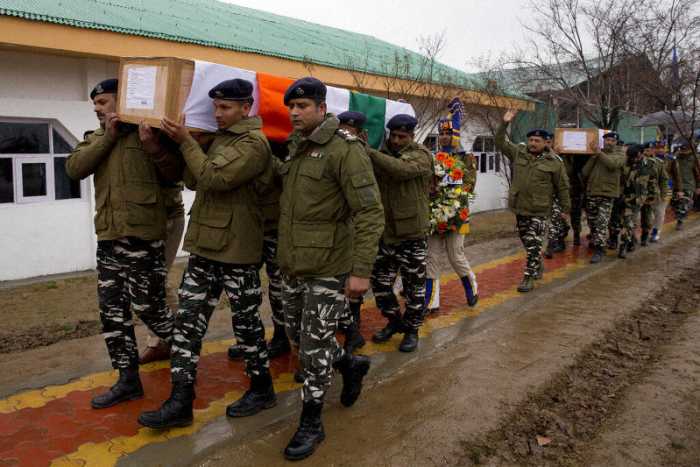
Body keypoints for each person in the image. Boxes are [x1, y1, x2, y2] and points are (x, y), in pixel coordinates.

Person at [138, 78, 275, 429]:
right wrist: (163, 146)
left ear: (247, 107)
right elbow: (194, 180)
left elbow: (213, 178)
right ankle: (181, 401)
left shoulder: (254, 145)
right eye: (214, 107)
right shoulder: (218, 140)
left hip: (238, 251)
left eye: (225, 107)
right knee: (187, 326)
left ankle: (261, 388)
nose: (218, 113)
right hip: (204, 248)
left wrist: (186, 141)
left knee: (246, 327)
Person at [277, 77, 384, 460]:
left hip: (329, 267)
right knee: (298, 339)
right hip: (293, 266)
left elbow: (370, 212)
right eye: (291, 106)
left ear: (322, 109)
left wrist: (360, 271)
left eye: (302, 106)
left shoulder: (344, 150)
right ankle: (351, 365)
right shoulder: (296, 148)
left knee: (313, 347)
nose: (294, 112)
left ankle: (311, 422)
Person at [66, 79, 180, 409]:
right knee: (112, 314)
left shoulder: (149, 134)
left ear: (124, 101)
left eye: (103, 101)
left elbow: (175, 175)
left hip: (143, 238)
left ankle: (186, 363)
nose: (97, 108)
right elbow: (74, 169)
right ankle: (127, 380)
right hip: (109, 237)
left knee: (151, 308)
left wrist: (155, 147)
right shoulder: (95, 139)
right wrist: (109, 137)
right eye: (95, 104)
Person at [367, 114, 433, 352]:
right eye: (393, 136)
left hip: (412, 235)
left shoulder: (421, 155)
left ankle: (413, 329)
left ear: (412, 136)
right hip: (386, 233)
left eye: (401, 136)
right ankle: (395, 322)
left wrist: (370, 152)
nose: (395, 140)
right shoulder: (383, 154)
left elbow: (401, 170)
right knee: (380, 284)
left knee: (414, 287)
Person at [228, 139, 291, 362]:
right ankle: (250, 339)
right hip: (249, 229)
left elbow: (289, 177)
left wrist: (268, 155)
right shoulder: (246, 142)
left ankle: (282, 337)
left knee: (278, 289)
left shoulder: (286, 146)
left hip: (275, 228)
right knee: (245, 291)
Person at [495, 110, 570, 293]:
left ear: (546, 143)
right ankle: (537, 263)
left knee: (534, 243)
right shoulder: (519, 152)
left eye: (537, 141)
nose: (533, 143)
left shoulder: (555, 162)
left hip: (540, 209)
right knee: (527, 241)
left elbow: (562, 187)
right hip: (520, 207)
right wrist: (504, 124)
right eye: (531, 140)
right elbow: (500, 143)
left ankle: (528, 277)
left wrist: (565, 209)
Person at [425, 102, 478, 312]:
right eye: (441, 134)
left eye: (448, 133)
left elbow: (469, 185)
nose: (444, 137)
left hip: (457, 214)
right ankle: (430, 302)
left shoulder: (466, 158)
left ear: (456, 134)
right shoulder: (433, 157)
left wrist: (448, 184)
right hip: (435, 215)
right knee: (431, 257)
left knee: (456, 256)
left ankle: (471, 288)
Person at [139, 183, 185, 364]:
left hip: (165, 217)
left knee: (156, 282)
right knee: (153, 283)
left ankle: (172, 341)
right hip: (145, 220)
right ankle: (167, 340)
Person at [582, 132, 626, 263]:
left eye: (612, 140)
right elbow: (585, 172)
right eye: (607, 140)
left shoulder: (620, 155)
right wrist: (594, 156)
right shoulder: (597, 155)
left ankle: (599, 249)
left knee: (602, 222)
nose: (609, 142)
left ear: (616, 142)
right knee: (592, 222)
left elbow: (612, 164)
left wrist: (599, 153)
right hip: (592, 193)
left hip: (607, 194)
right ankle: (597, 240)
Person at [617, 144, 651, 258]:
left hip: (638, 199)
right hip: (625, 197)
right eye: (631, 157)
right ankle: (631, 241)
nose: (633, 159)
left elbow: (650, 183)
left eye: (635, 157)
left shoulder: (648, 165)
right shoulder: (626, 163)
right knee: (628, 222)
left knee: (630, 223)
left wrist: (650, 197)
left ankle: (624, 246)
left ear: (641, 154)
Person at [545, 131, 571, 257]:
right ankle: (557, 239)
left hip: (556, 195)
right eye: (547, 143)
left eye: (550, 143)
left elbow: (566, 177)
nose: (548, 146)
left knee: (555, 220)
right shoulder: (540, 156)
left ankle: (551, 245)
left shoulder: (561, 159)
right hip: (543, 196)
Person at [639, 141, 668, 246]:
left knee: (658, 214)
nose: (649, 152)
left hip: (654, 194)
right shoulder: (639, 161)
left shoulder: (659, 163)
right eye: (646, 150)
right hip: (639, 194)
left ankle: (652, 233)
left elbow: (664, 179)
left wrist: (663, 194)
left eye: (651, 150)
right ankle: (636, 236)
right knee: (643, 216)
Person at [669, 137, 700, 230]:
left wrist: (698, 186)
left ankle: (680, 221)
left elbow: (698, 174)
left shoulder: (694, 159)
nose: (682, 151)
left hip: (689, 184)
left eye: (684, 149)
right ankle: (680, 215)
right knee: (674, 203)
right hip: (677, 185)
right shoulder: (675, 158)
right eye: (681, 149)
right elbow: (669, 171)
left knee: (683, 203)